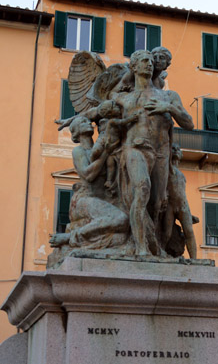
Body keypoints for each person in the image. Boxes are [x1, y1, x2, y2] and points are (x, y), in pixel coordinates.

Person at [113, 50, 193, 256]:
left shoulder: (168, 96)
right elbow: (102, 106)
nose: (149, 64)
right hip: (136, 148)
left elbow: (189, 123)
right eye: (144, 61)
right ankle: (140, 248)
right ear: (134, 67)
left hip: (160, 152)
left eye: (151, 61)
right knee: (142, 188)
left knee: (157, 203)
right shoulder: (124, 98)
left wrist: (169, 108)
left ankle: (154, 245)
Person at [49, 115, 130, 251]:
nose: (88, 123)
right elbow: (88, 175)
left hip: (103, 199)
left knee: (122, 236)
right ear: (76, 132)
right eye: (83, 122)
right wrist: (104, 154)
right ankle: (70, 237)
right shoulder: (79, 151)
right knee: (121, 219)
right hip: (84, 201)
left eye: (87, 121)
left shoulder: (102, 147)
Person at [163, 144, 198, 258]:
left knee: (189, 232)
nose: (176, 151)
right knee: (166, 234)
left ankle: (194, 259)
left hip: (183, 205)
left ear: (181, 154)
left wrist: (190, 213)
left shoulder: (181, 175)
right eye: (173, 149)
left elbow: (182, 194)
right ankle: (161, 253)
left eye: (178, 149)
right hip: (170, 205)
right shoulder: (165, 170)